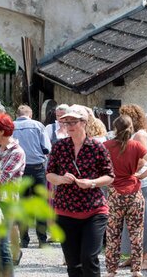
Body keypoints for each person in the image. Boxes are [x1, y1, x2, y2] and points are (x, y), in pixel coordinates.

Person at [46, 104, 115, 277]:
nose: (69, 126)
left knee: (89, 258)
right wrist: (61, 179)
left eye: (73, 122)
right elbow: (49, 174)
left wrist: (91, 183)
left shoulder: (97, 148)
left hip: (94, 211)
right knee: (73, 263)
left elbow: (109, 176)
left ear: (84, 123)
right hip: (66, 210)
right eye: (66, 122)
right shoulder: (59, 147)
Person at [103, 115, 147, 277]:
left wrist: (107, 180)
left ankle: (111, 271)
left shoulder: (106, 145)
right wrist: (139, 175)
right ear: (131, 129)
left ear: (115, 128)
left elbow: (96, 165)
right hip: (134, 193)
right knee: (136, 233)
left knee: (113, 233)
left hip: (115, 194)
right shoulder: (135, 145)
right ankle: (136, 269)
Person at [0, 114, 26, 277]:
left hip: (6, 201)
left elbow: (0, 178)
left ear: (1, 131)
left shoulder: (17, 152)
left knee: (1, 244)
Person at [118, 104, 147, 271]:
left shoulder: (140, 134)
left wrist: (130, 173)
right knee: (130, 220)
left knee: (143, 220)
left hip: (142, 182)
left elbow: (141, 160)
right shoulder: (134, 134)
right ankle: (133, 257)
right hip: (132, 182)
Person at [12, 105, 51, 248]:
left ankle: (24, 239)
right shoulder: (38, 125)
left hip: (19, 170)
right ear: (31, 114)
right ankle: (42, 239)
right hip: (37, 168)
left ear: (17, 114)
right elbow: (47, 148)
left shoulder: (11, 126)